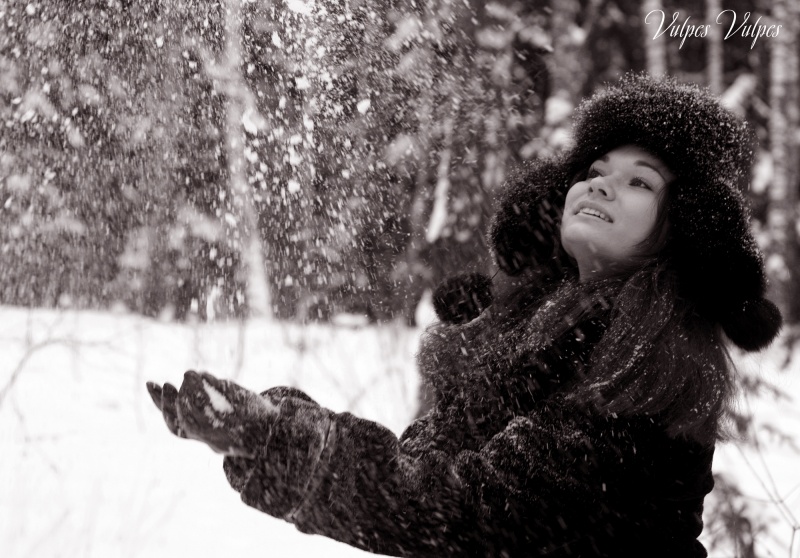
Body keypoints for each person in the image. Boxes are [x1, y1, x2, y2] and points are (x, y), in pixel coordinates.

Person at [146, 74, 782, 557]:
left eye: (640, 182)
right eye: (592, 171)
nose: (600, 186)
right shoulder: (528, 342)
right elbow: (422, 474)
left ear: (685, 230)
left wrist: (275, 441)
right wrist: (273, 424)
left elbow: (458, 510)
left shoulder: (641, 372)